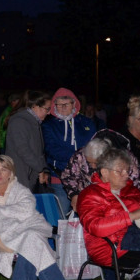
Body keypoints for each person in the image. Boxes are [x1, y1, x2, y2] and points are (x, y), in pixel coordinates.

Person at [77, 148, 140, 280]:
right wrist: (132, 216)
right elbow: (95, 227)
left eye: (127, 171)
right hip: (110, 249)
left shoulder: (132, 190)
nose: (126, 175)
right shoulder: (90, 194)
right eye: (120, 171)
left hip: (139, 239)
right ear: (104, 172)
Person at [44, 87, 97, 215]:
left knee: (87, 216)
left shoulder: (86, 123)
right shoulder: (48, 125)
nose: (62, 107)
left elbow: (94, 145)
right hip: (59, 178)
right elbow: (51, 149)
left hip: (86, 179)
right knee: (59, 217)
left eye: (66, 104)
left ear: (74, 104)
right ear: (54, 106)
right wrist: (79, 157)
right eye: (59, 104)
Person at [61, 136, 140, 212]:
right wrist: (74, 195)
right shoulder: (80, 155)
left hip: (120, 202)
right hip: (88, 200)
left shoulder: (125, 158)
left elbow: (135, 184)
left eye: (96, 163)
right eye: (90, 162)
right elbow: (68, 177)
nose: (93, 166)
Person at [4, 90, 51, 192]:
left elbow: (39, 151)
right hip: (20, 176)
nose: (49, 112)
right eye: (47, 109)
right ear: (35, 106)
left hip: (30, 175)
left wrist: (43, 169)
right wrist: (40, 168)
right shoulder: (19, 121)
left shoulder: (34, 122)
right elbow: (23, 150)